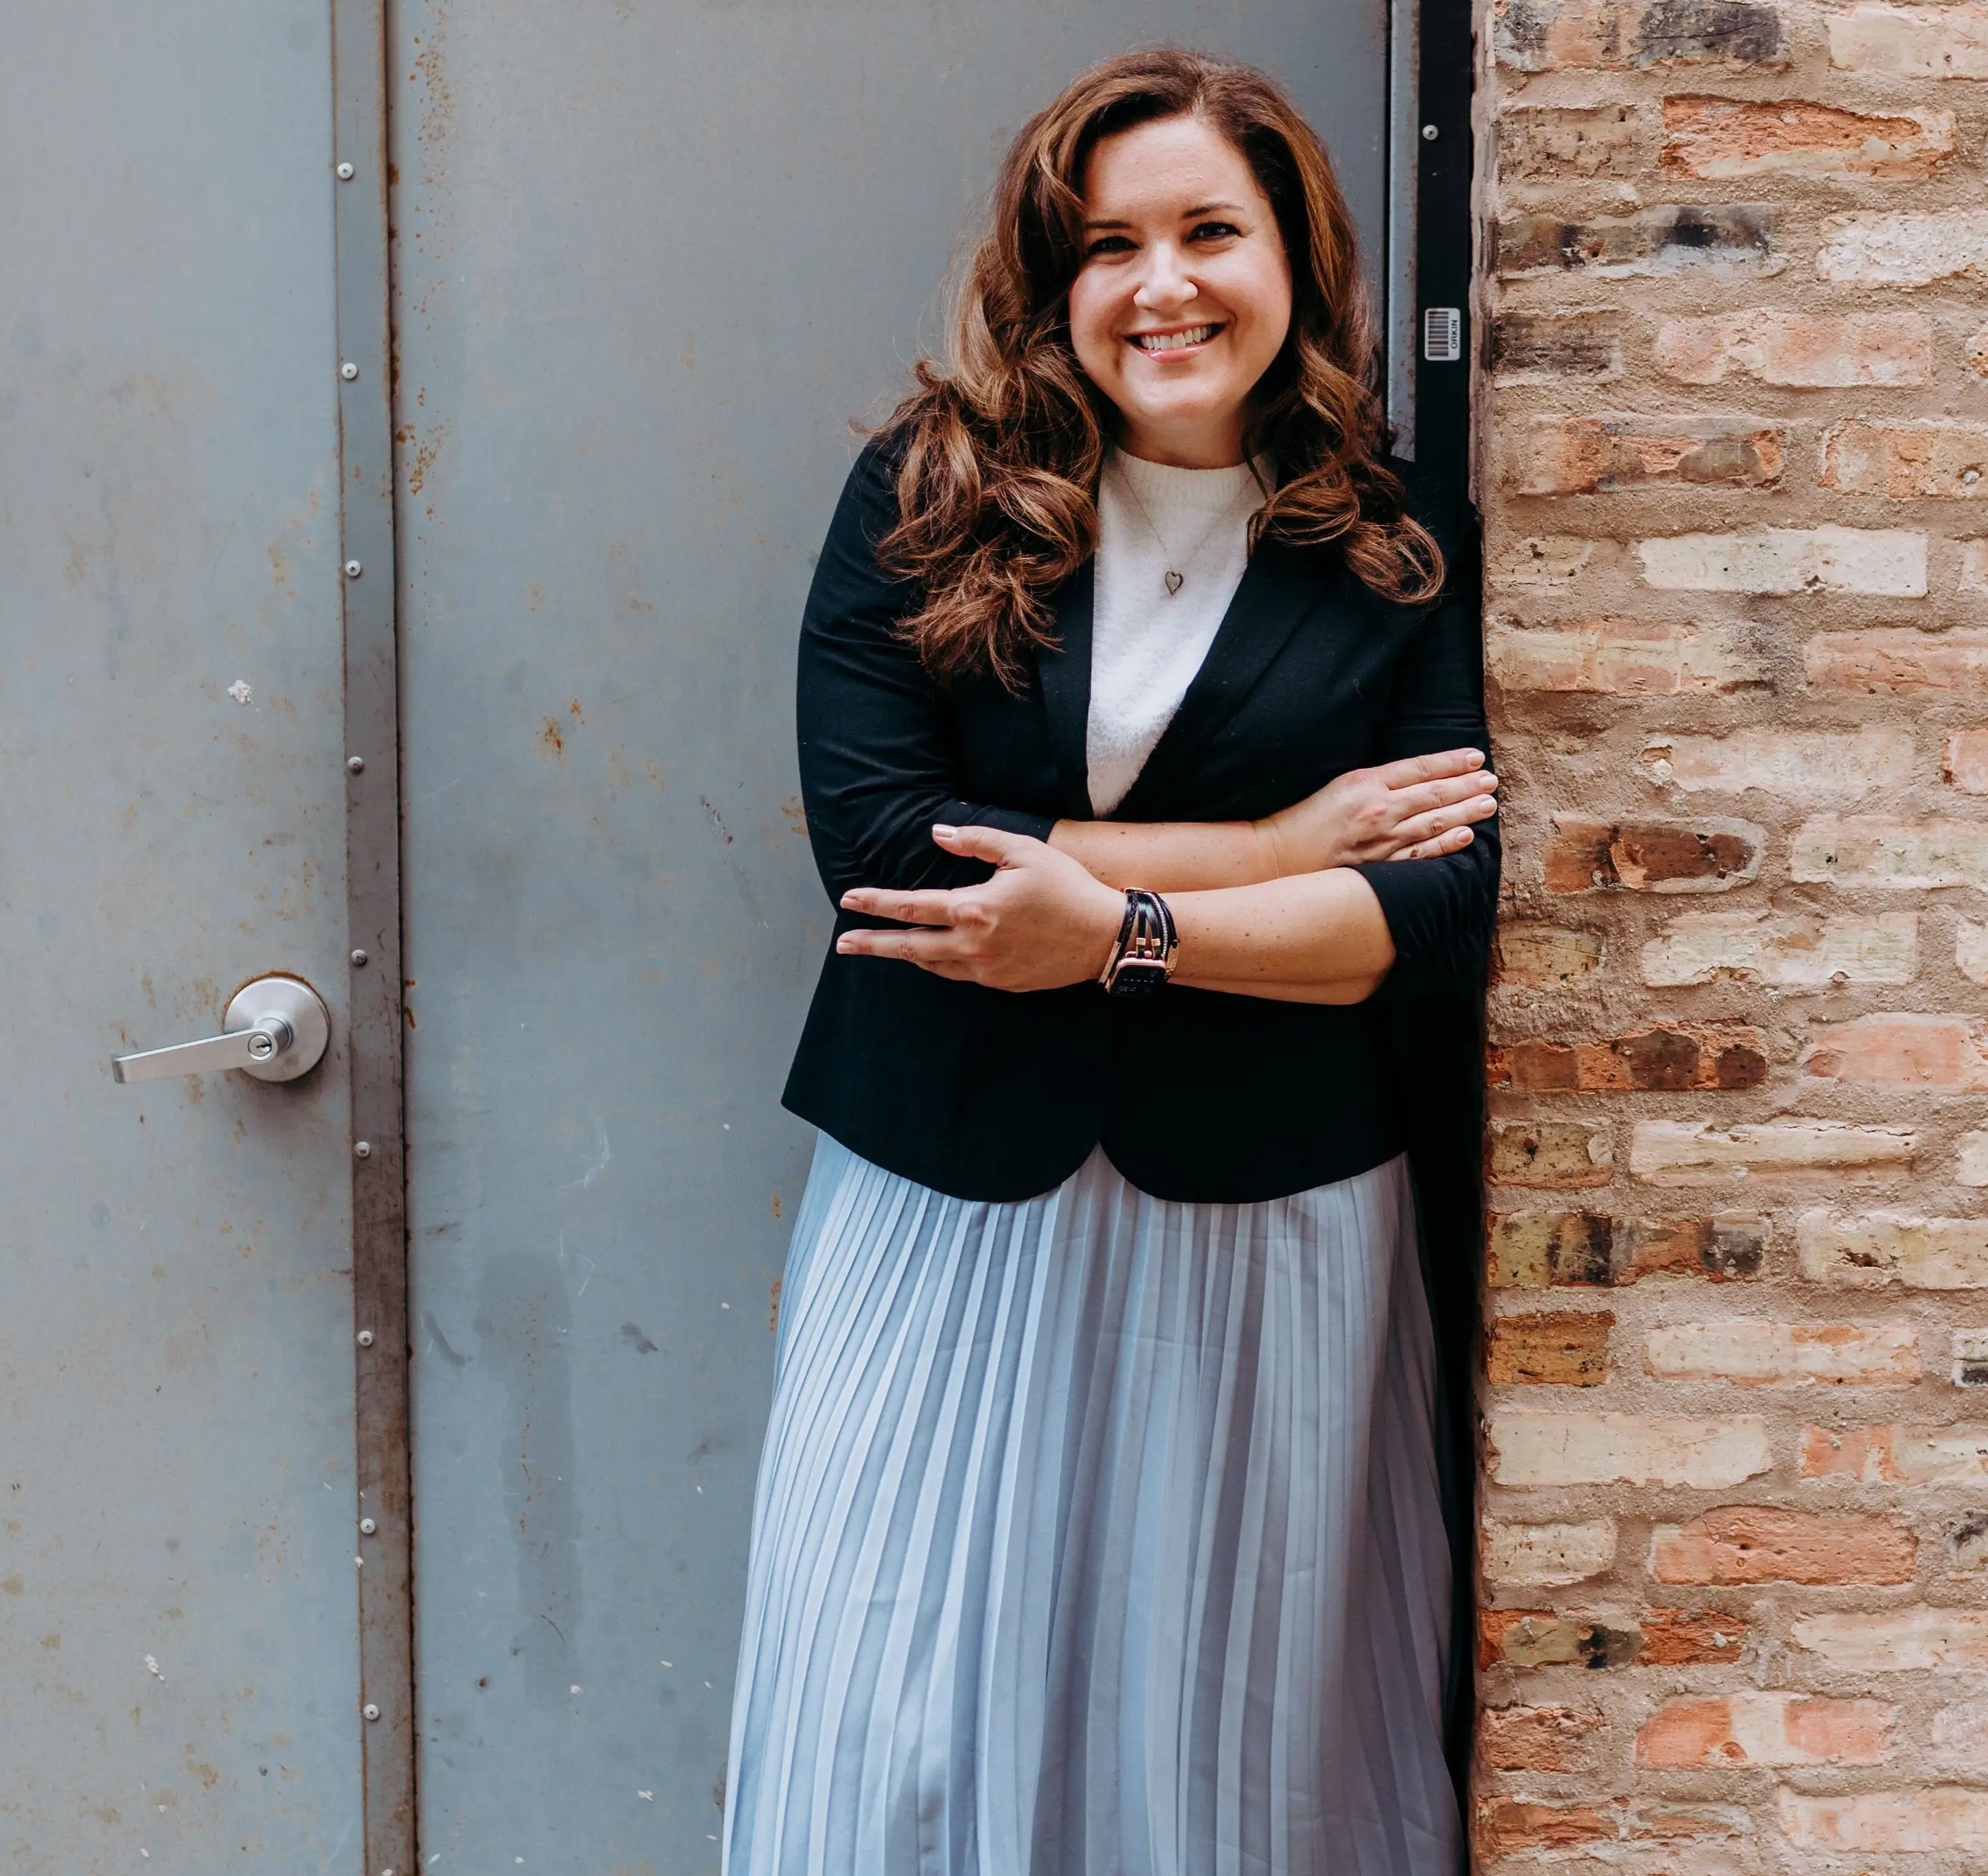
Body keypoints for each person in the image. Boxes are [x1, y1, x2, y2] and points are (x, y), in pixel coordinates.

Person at [720, 46, 1498, 1876]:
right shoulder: (924, 498)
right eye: (1108, 246)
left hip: (1272, 1215)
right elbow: (889, 854)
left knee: (1226, 1727)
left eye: (1209, 232)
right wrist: (1270, 860)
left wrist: (1114, 930)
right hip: (947, 1198)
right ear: (1049, 281)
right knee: (891, 1714)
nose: (1163, 287)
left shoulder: (1396, 547)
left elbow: (1422, 919)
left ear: (1293, 256)